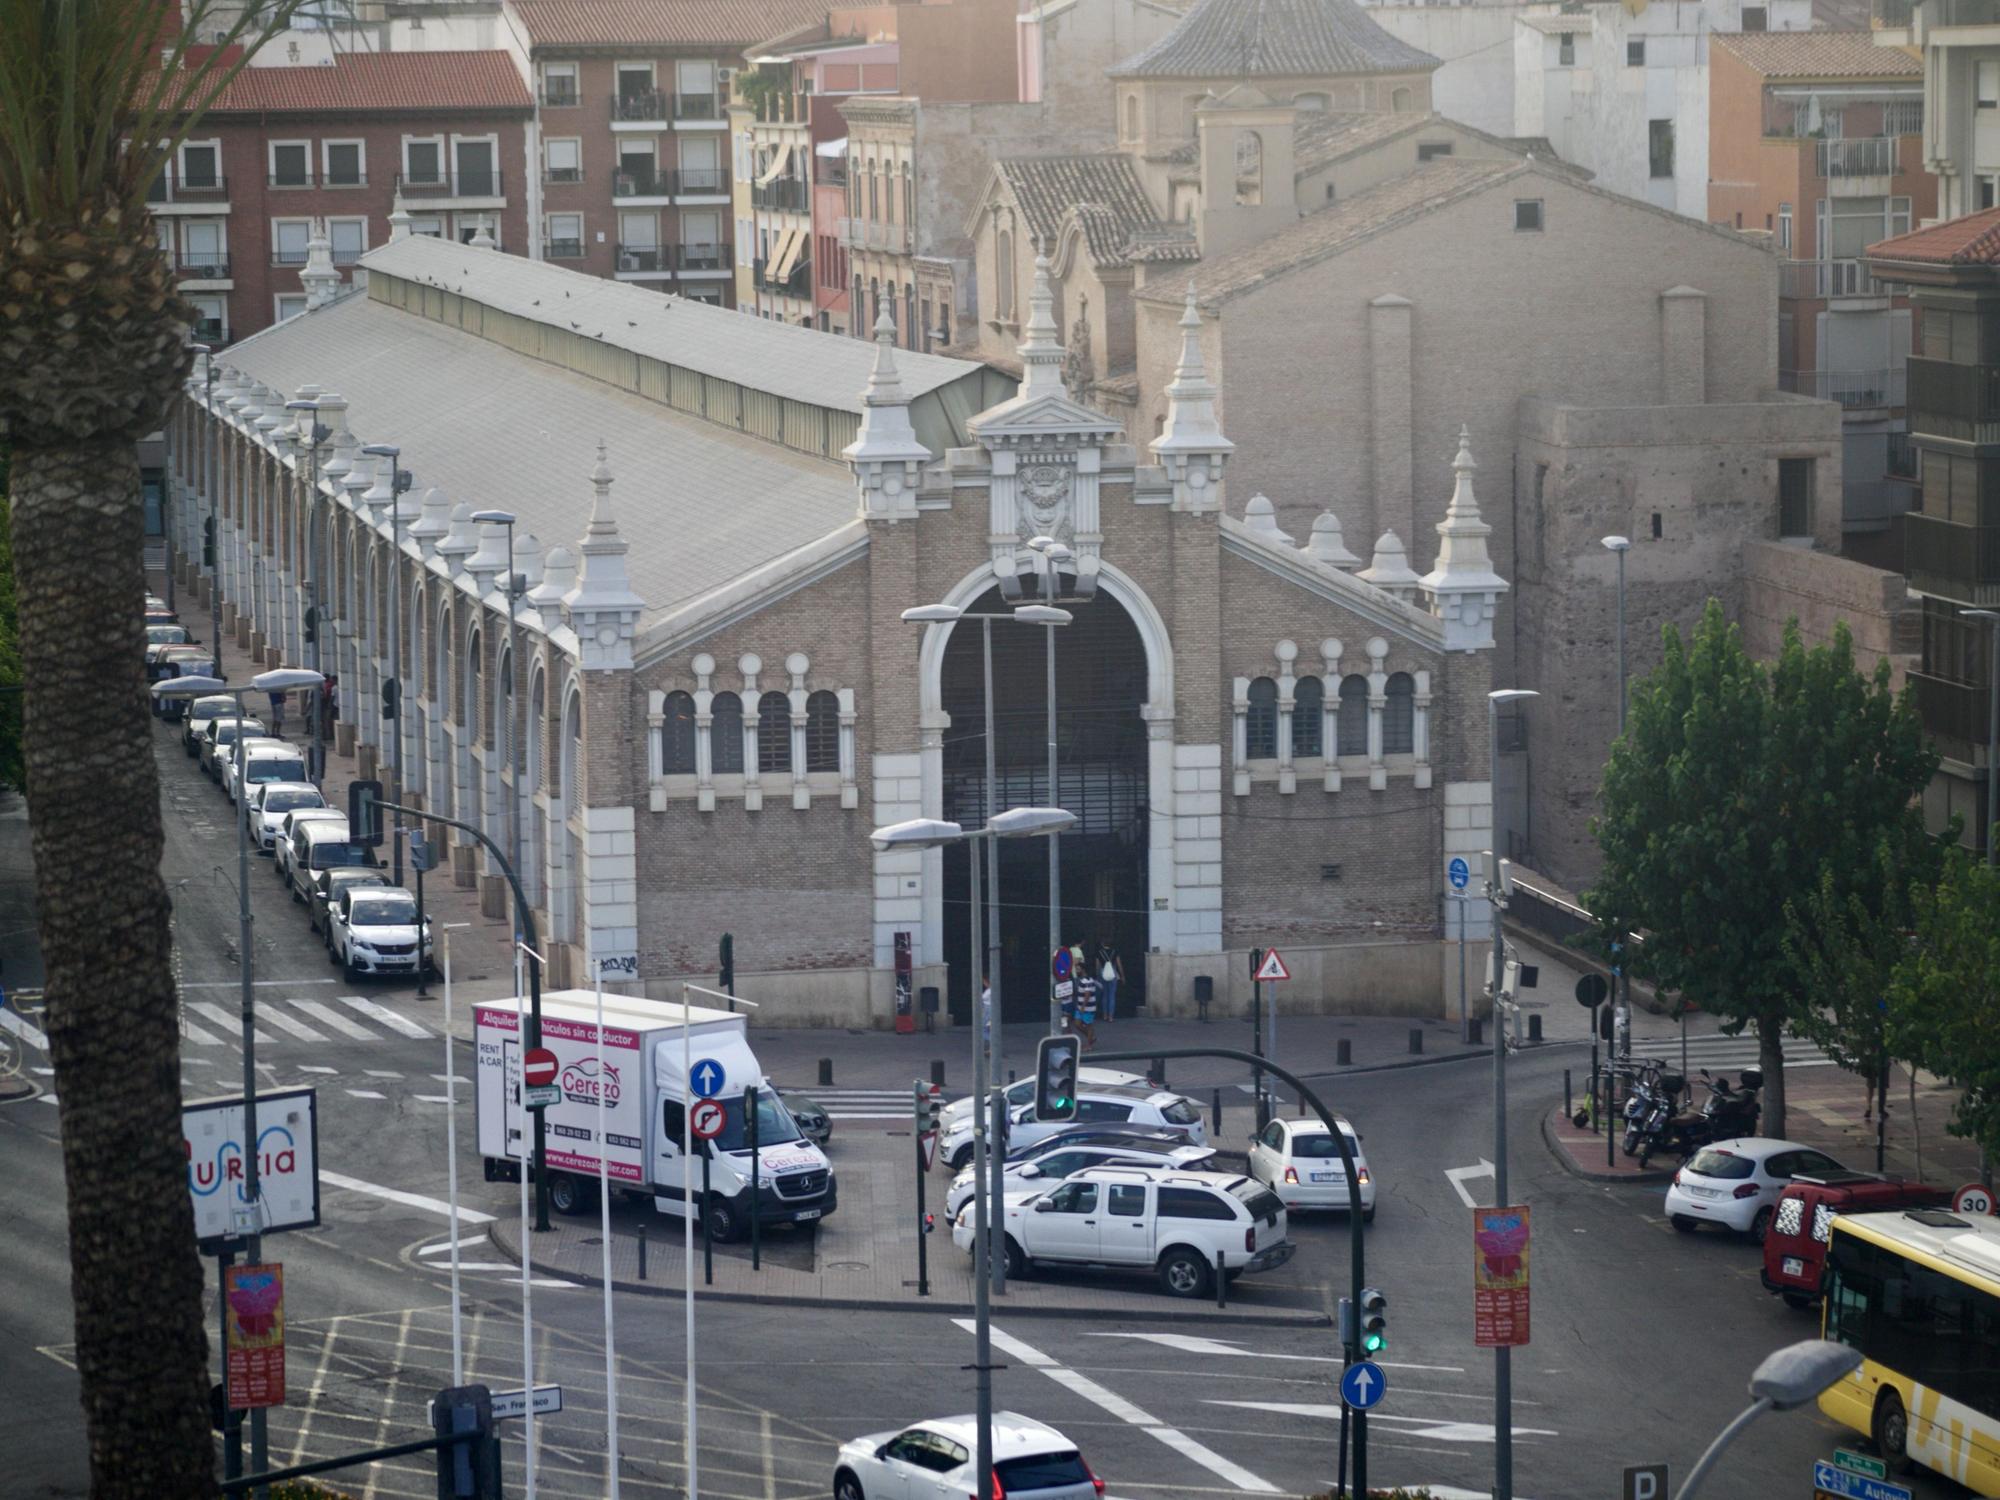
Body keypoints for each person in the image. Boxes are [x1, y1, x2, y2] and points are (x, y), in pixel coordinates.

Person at [1096, 939, 1125, 1022]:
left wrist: (1098, 976)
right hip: (1113, 973)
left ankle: (1104, 1015)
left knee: (1104, 995)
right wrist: (1122, 976)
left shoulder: (1099, 952)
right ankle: (1111, 1017)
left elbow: (1097, 966)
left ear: (1102, 943)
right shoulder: (1115, 952)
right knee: (1112, 995)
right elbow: (1119, 964)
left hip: (1103, 973)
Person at [1074, 968, 1098, 1050]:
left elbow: (1087, 994)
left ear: (1083, 970)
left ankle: (1089, 1045)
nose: (1076, 971)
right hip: (1080, 1007)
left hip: (1088, 1008)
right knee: (1077, 1023)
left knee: (1089, 1025)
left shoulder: (1087, 981)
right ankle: (1091, 1037)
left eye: (1078, 969)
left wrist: (1083, 1006)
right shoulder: (1083, 980)